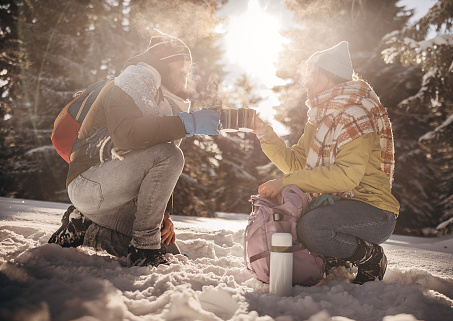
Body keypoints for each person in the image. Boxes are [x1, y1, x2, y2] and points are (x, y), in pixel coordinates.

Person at [49, 33, 221, 267]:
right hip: (89, 182)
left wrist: (164, 216)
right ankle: (143, 250)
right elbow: (127, 134)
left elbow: (153, 165)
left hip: (114, 195)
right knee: (169, 156)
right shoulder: (130, 83)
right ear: (163, 61)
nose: (187, 72)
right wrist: (188, 123)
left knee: (166, 248)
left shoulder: (162, 101)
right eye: (182, 64)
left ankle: (84, 228)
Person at [252, 41, 400, 284]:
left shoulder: (355, 114)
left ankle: (371, 257)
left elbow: (346, 176)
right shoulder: (319, 120)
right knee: (291, 217)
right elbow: (296, 163)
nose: (306, 81)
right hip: (340, 208)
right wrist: (263, 133)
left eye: (311, 73)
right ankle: (335, 256)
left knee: (311, 227)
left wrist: (285, 182)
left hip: (374, 212)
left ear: (329, 76)